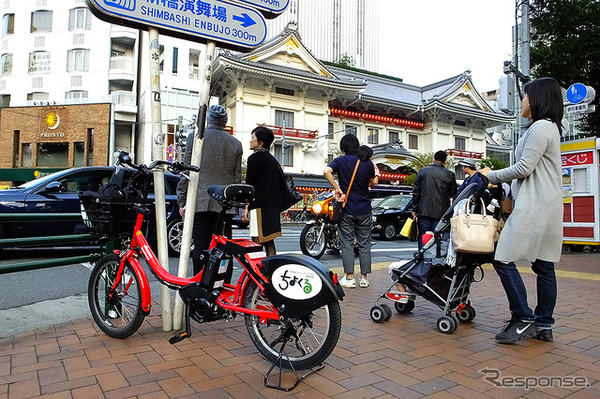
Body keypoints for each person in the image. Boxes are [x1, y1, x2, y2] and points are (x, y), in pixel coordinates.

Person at [480, 77, 563, 344]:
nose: (523, 101)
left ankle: (523, 317)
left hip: (535, 204)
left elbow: (524, 168)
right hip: (548, 203)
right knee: (544, 266)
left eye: (526, 96)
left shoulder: (540, 127)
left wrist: (489, 175)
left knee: (502, 258)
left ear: (537, 99)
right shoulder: (551, 128)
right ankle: (544, 324)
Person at [177, 105, 243, 275]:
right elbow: (236, 179)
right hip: (225, 205)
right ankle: (222, 285)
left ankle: (200, 284)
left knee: (201, 245)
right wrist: (235, 206)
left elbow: (187, 170)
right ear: (225, 122)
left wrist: (182, 200)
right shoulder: (236, 144)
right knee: (224, 246)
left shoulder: (196, 138)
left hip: (201, 201)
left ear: (208, 120)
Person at [324, 135, 375, 288]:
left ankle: (350, 278)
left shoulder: (340, 161)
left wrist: (337, 188)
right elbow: (371, 182)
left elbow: (327, 171)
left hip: (347, 209)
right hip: (365, 209)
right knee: (364, 244)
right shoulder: (367, 163)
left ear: (343, 148)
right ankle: (364, 278)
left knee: (346, 243)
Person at [242, 126, 284, 257]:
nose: (250, 140)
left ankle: (260, 275)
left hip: (259, 207)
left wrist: (246, 208)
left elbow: (250, 186)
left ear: (260, 142)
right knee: (269, 242)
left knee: (257, 243)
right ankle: (271, 273)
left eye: (253, 137)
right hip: (273, 207)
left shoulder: (254, 159)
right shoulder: (273, 160)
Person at [412, 150, 457, 249]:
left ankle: (422, 257)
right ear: (445, 161)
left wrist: (414, 209)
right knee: (437, 235)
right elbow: (453, 193)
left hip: (424, 209)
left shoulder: (423, 171)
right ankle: (433, 258)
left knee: (424, 235)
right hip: (441, 210)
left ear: (433, 159)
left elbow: (416, 191)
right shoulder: (450, 174)